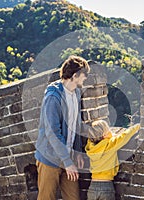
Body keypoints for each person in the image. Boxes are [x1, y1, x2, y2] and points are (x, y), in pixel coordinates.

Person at [35, 55, 90, 200]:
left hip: (69, 157)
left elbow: (75, 125)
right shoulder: (54, 97)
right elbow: (52, 132)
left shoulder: (76, 93)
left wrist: (77, 151)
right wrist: (67, 161)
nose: (86, 78)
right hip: (50, 158)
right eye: (85, 74)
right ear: (75, 75)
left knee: (73, 197)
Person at [85, 120, 140, 200]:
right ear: (104, 135)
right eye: (108, 130)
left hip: (92, 187)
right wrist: (137, 126)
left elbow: (94, 139)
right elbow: (124, 136)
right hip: (106, 186)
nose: (110, 131)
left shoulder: (90, 146)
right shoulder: (110, 145)